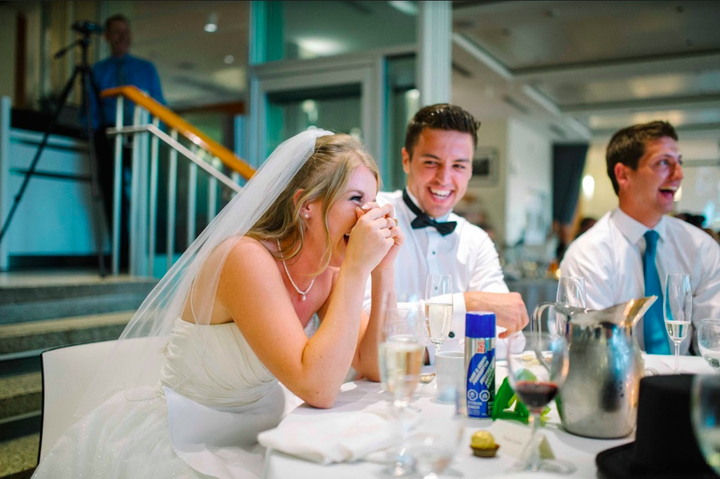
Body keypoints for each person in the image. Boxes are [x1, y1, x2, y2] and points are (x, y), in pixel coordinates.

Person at [32, 131, 402, 478]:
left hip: (265, 431)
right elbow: (318, 389)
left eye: (372, 202)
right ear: (305, 205)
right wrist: (356, 268)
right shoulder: (244, 258)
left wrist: (383, 270)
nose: (368, 216)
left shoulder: (327, 273)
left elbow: (376, 367)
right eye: (356, 199)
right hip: (187, 438)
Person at [364, 104, 528, 361]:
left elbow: (507, 339)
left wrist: (418, 337)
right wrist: (470, 305)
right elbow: (364, 322)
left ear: (471, 169)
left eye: (459, 166)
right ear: (406, 160)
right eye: (432, 162)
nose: (444, 179)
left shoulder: (477, 241)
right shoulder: (374, 217)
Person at [561, 121, 720, 354]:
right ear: (623, 174)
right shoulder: (588, 254)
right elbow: (593, 351)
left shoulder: (700, 247)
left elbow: (714, 341)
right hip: (618, 385)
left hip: (689, 384)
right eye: (664, 163)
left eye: (680, 163)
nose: (679, 174)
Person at [90, 13, 165, 270]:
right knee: (113, 194)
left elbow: (159, 107)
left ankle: (142, 253)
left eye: (125, 32)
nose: (122, 37)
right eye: (116, 32)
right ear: (107, 37)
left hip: (141, 134)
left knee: (143, 194)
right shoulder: (97, 71)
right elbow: (90, 111)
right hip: (109, 134)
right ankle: (121, 256)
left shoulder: (146, 69)